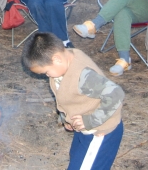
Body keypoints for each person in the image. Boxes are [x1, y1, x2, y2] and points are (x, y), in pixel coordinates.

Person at [22, 32, 124, 170]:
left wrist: (90, 120)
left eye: (46, 72)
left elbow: (116, 94)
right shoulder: (65, 59)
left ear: (57, 59)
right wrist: (65, 117)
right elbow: (64, 94)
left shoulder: (83, 75)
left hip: (99, 132)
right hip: (83, 127)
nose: (47, 75)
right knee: (76, 159)